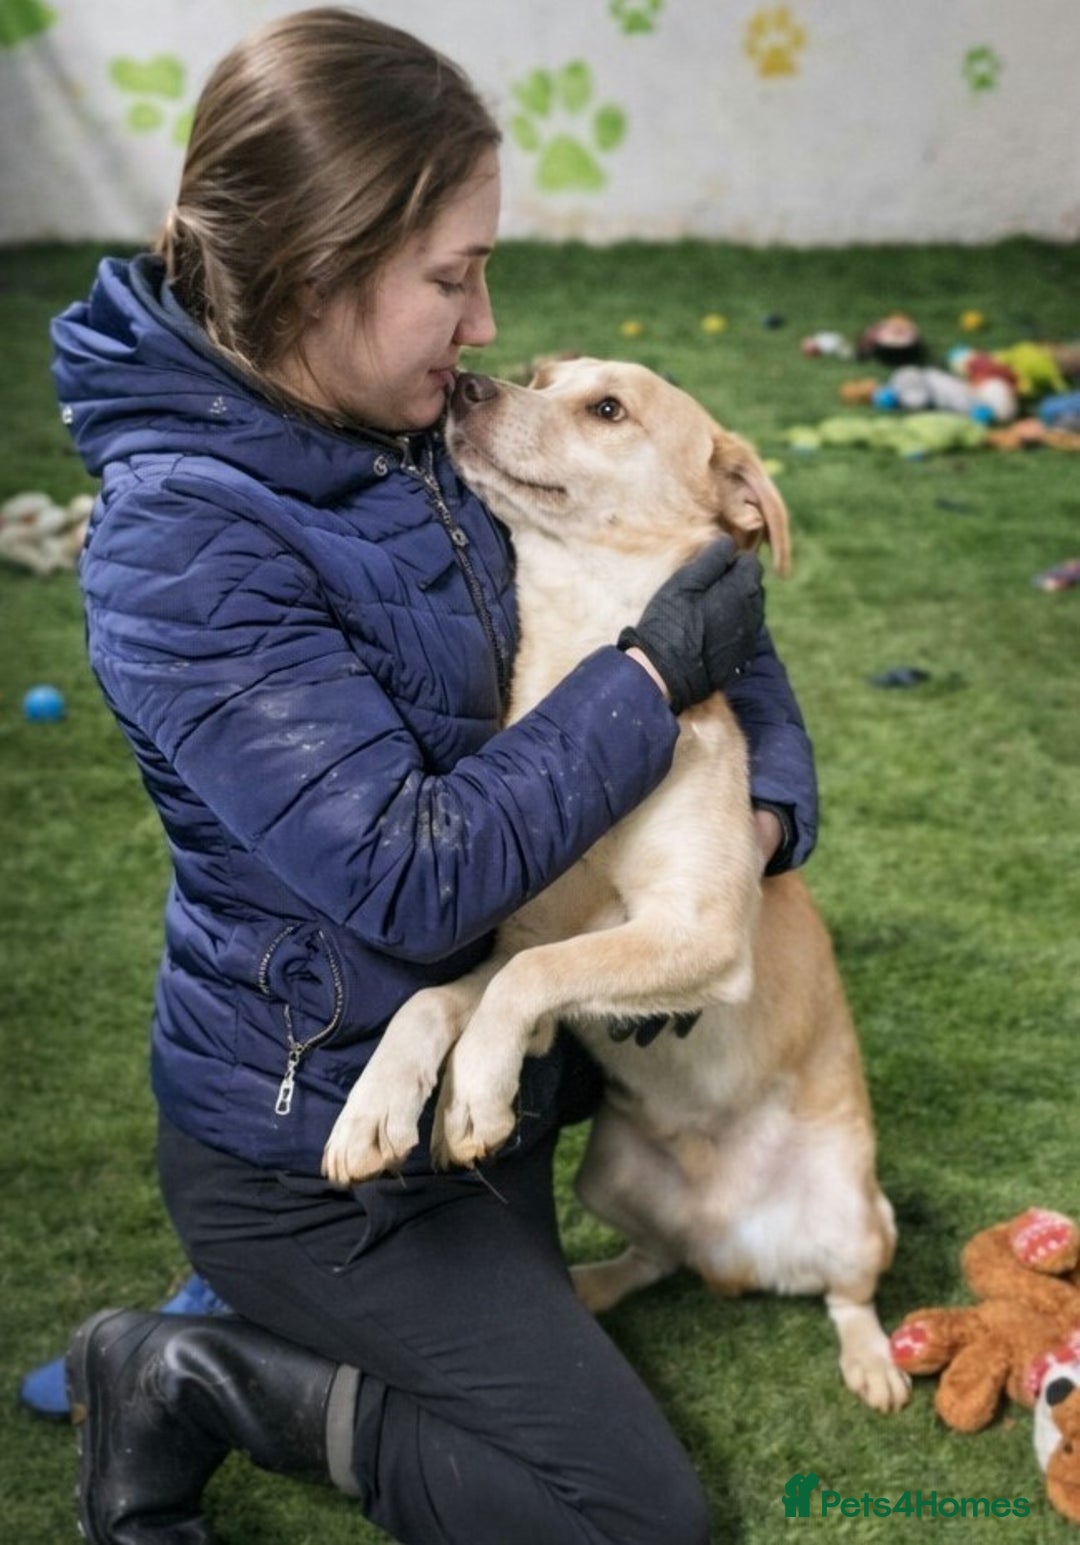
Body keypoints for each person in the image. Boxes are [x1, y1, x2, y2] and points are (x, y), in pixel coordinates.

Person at [49, 9, 817, 1543]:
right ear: (318, 266)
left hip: (500, 1076)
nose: (481, 327)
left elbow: (678, 588)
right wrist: (658, 681)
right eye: (450, 277)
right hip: (323, 1141)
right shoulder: (180, 545)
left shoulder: (413, 417)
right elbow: (409, 875)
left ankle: (310, 1310)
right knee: (629, 1519)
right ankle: (185, 1369)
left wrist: (760, 804)